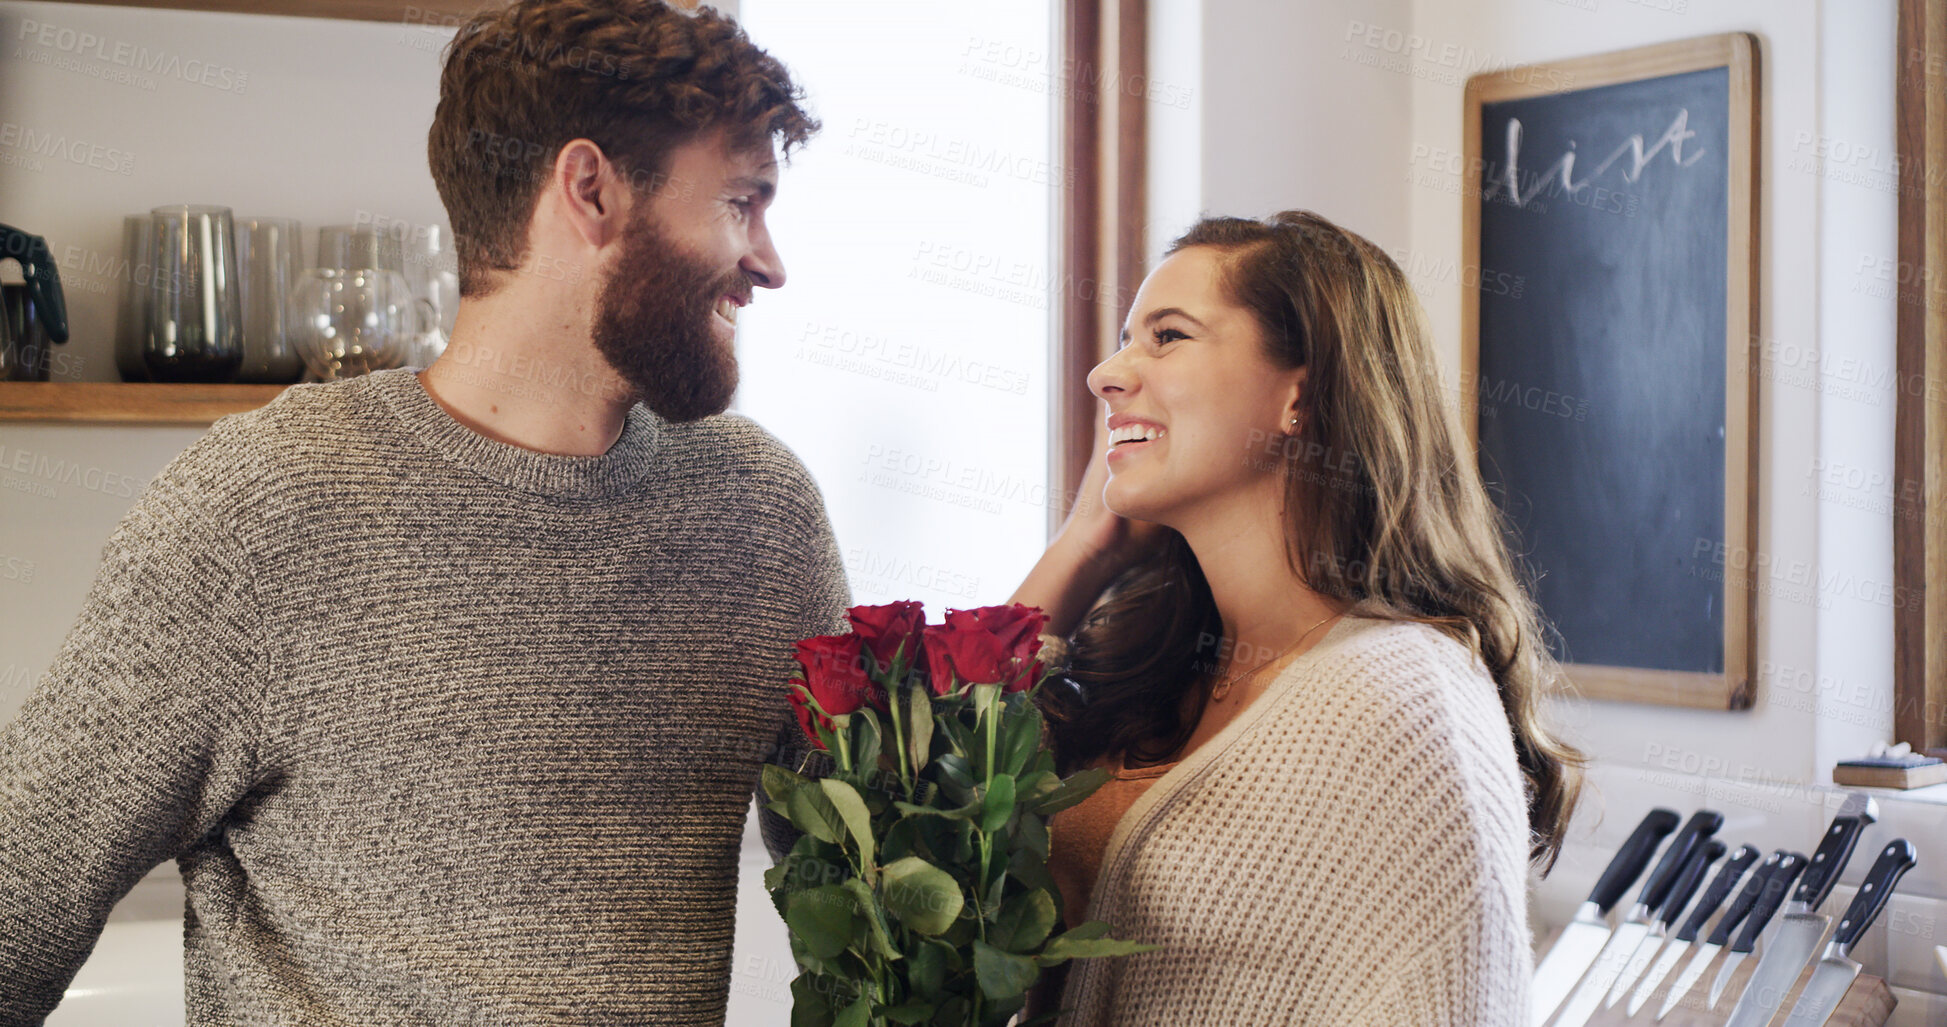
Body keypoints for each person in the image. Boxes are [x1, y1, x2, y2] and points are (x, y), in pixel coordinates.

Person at [0, 2, 847, 1024]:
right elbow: (16, 906)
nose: (769, 260)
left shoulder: (762, 514)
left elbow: (876, 886)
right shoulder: (261, 512)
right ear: (590, 190)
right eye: (742, 202)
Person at [1012, 210, 1584, 1025]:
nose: (1107, 372)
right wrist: (1079, 551)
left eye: (1166, 336)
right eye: (1123, 338)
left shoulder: (1402, 701)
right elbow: (913, 799)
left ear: (1301, 394)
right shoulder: (1164, 661)